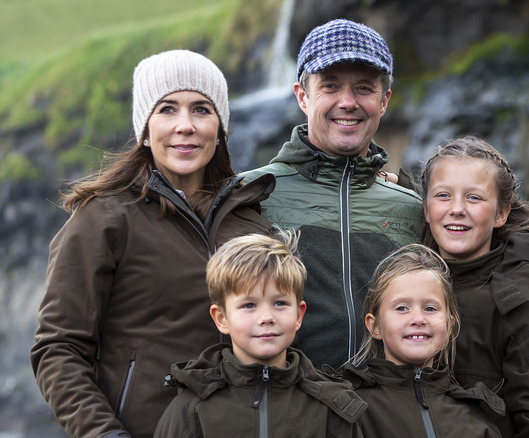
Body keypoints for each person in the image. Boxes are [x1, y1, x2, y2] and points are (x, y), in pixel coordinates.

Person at [30, 49, 275, 438]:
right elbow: (58, 350)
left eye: (201, 109)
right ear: (144, 127)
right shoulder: (103, 218)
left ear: (221, 126)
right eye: (166, 109)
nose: (185, 126)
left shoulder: (253, 222)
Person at [240, 18, 423, 368]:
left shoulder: (411, 209)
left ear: (384, 101)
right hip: (289, 410)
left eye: (364, 89)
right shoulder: (250, 195)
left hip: (385, 413)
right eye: (330, 86)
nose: (347, 102)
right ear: (302, 96)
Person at [419, 135, 529, 437]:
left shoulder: (526, 304)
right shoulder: (408, 290)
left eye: (474, 198)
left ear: (501, 213)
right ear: (426, 209)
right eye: (443, 196)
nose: (456, 208)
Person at [154, 232, 367, 437]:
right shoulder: (191, 409)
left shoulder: (330, 405)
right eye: (249, 305)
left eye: (280, 303)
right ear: (221, 318)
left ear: (299, 315)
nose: (267, 317)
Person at [339, 244, 505, 438]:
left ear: (450, 325)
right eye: (402, 308)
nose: (418, 319)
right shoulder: (351, 412)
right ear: (374, 326)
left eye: (430, 309)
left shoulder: (476, 418)